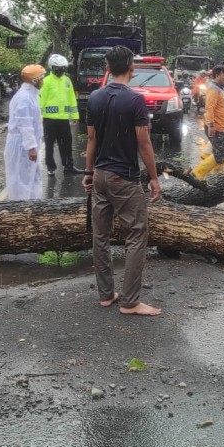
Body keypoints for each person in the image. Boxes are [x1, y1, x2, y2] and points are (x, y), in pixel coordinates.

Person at [82, 46, 162, 316]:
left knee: (100, 236)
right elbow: (143, 142)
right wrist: (153, 178)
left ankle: (106, 295)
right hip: (124, 178)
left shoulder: (94, 98)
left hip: (101, 176)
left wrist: (88, 172)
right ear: (132, 67)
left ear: (107, 68)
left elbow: (91, 139)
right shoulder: (135, 100)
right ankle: (130, 302)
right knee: (137, 235)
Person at [4, 64, 46, 200]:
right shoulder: (24, 98)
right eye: (41, 78)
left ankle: (32, 208)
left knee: (31, 177)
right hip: (22, 146)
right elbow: (25, 124)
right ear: (35, 80)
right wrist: (31, 147)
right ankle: (20, 211)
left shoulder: (31, 95)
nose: (43, 81)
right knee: (21, 180)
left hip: (26, 145)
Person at [39, 53, 81, 176]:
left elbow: (72, 99)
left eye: (63, 68)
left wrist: (75, 115)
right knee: (49, 144)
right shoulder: (45, 81)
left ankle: (69, 166)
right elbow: (40, 100)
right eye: (58, 68)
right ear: (52, 67)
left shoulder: (67, 81)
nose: (61, 71)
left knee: (67, 143)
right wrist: (39, 116)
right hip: (49, 119)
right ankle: (50, 167)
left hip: (63, 119)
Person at [191, 64, 224, 179]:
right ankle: (196, 174)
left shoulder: (219, 87)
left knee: (217, 152)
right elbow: (209, 108)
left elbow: (219, 105)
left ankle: (218, 177)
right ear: (217, 75)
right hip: (216, 127)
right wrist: (211, 125)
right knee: (222, 153)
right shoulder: (214, 89)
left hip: (220, 126)